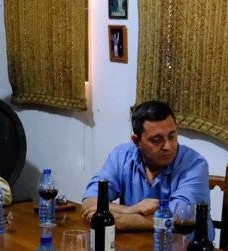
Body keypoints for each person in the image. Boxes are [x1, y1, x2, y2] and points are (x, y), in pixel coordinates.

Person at [81, 100, 212, 235]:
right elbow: (90, 201)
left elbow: (182, 216)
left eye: (172, 136)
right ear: (137, 141)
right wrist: (130, 210)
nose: (168, 146)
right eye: (157, 140)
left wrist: (128, 221)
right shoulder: (121, 156)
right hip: (136, 247)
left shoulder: (194, 164)